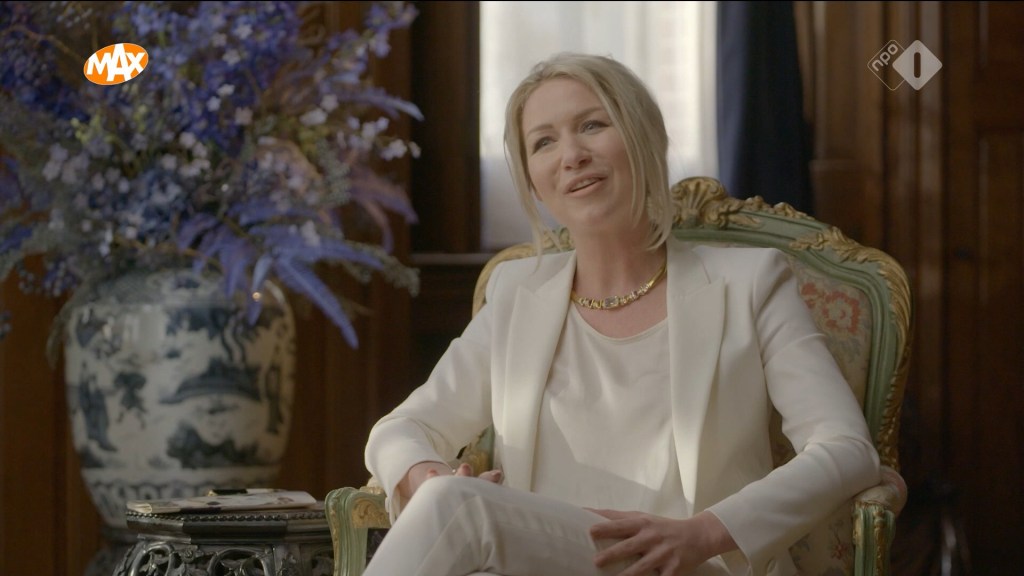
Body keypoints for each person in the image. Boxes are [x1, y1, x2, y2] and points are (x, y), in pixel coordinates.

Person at [362, 52, 880, 576]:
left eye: (592, 125)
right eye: (543, 142)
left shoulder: (751, 282)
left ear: (642, 136)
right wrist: (426, 477)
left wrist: (705, 532)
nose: (572, 155)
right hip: (543, 565)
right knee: (447, 499)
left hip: (693, 564)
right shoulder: (516, 293)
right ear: (533, 182)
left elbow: (845, 447)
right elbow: (402, 428)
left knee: (459, 508)